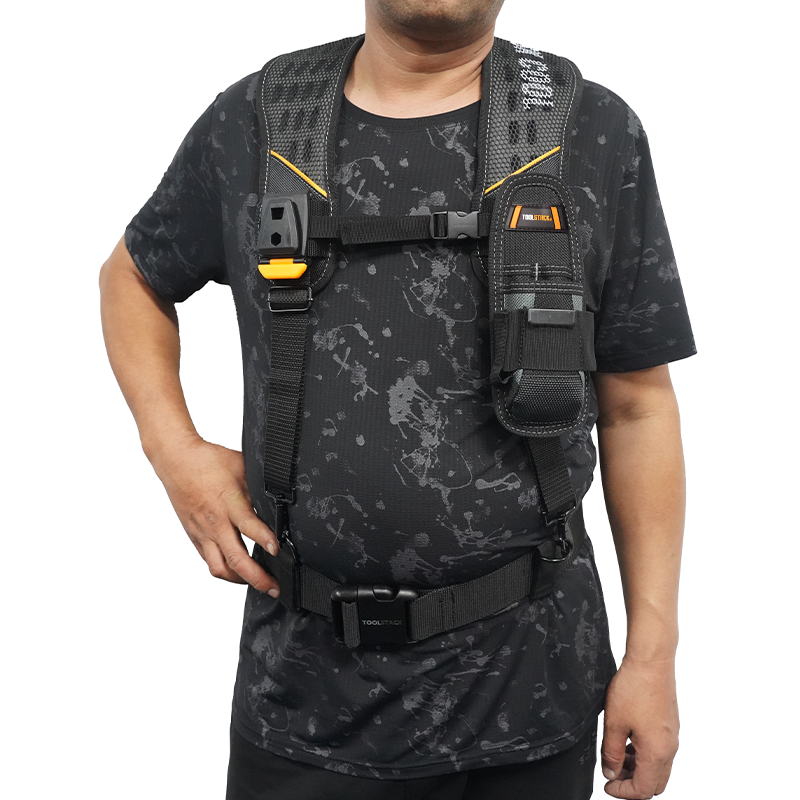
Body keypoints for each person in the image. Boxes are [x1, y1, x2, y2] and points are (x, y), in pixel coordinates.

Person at [100, 1, 695, 798]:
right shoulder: (257, 123)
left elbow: (638, 406)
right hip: (304, 698)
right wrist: (174, 452)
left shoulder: (590, 129)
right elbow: (132, 277)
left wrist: (653, 658)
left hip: (527, 690)